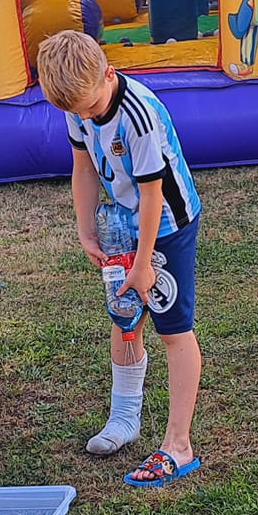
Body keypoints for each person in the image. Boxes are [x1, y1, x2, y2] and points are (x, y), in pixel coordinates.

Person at [34, 30, 205, 488]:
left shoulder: (138, 115)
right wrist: (86, 228)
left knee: (173, 329)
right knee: (125, 313)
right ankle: (124, 417)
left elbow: (153, 196)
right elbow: (83, 166)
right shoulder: (78, 103)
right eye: (77, 112)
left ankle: (179, 445)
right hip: (122, 222)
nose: (85, 117)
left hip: (165, 226)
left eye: (91, 108)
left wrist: (144, 263)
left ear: (108, 73)